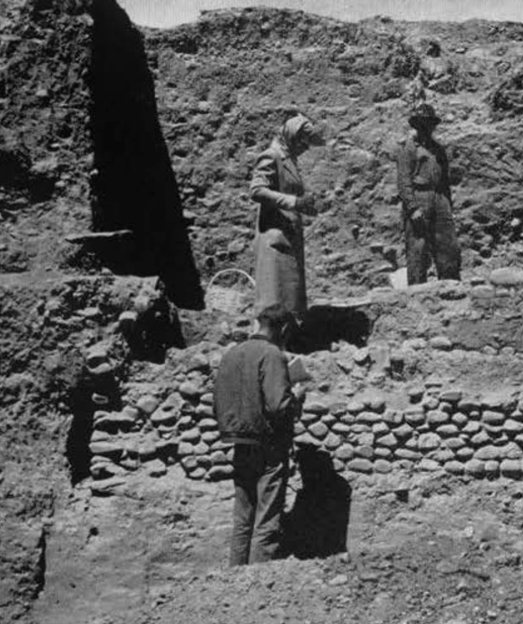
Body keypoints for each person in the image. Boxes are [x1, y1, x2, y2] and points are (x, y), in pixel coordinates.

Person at [213, 303, 304, 566]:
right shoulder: (272, 354)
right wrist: (296, 398)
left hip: (240, 443)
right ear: (284, 328)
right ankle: (258, 584)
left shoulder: (232, 354)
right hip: (269, 446)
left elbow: (217, 403)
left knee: (243, 517)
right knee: (267, 520)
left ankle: (235, 578)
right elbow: (278, 405)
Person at [250, 109, 325, 318]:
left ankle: (290, 341)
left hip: (289, 234)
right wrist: (294, 202)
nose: (304, 148)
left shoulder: (290, 159)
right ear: (292, 136)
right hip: (275, 235)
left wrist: (305, 205)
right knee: (274, 295)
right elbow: (257, 190)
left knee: (291, 294)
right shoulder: (272, 155)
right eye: (302, 143)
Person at [395, 103, 461, 285]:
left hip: (439, 198)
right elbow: (403, 181)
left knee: (447, 244)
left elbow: (445, 179)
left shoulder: (438, 149)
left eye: (429, 123)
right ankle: (417, 291)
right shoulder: (408, 149)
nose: (426, 127)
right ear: (416, 125)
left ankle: (451, 286)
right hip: (419, 196)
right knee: (417, 246)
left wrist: (447, 204)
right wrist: (412, 207)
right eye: (422, 123)